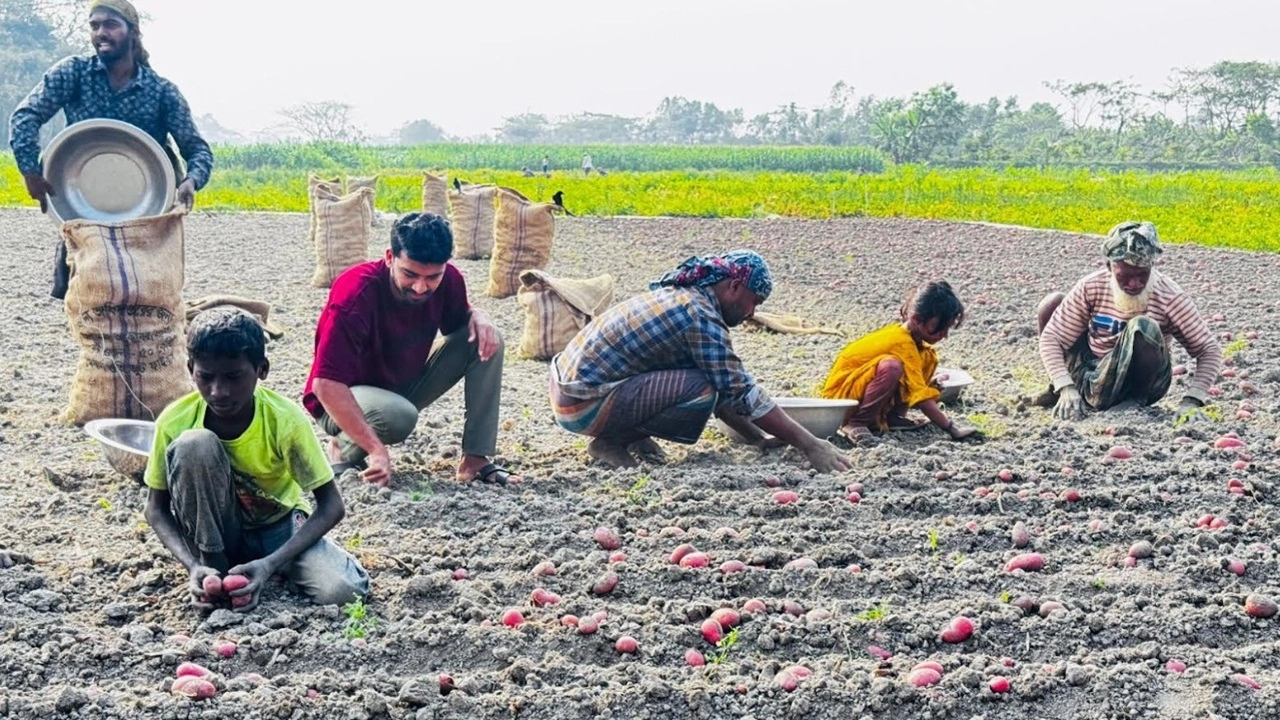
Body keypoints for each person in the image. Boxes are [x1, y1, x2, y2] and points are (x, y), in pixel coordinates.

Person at [143, 308, 370, 613]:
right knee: (194, 444)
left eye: (233, 377)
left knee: (344, 589)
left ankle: (264, 568)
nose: (218, 392)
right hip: (213, 536)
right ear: (191, 368)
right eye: (205, 377)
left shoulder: (283, 420)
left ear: (261, 369)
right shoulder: (175, 421)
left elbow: (331, 506)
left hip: (277, 529)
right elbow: (156, 509)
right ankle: (216, 570)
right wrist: (193, 565)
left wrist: (270, 563)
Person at [550, 250, 853, 472]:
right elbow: (740, 391)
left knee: (702, 378)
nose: (752, 313)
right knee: (700, 388)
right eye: (754, 302)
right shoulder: (699, 315)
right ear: (734, 287)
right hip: (583, 403)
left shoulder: (685, 296)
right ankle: (611, 442)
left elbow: (725, 387)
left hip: (571, 392)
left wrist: (757, 439)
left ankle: (632, 438)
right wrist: (810, 444)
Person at [8, 0, 214, 299]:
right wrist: (30, 171)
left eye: (111, 25)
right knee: (74, 298)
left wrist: (191, 182)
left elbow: (198, 149)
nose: (101, 33)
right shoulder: (74, 73)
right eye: (94, 26)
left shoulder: (161, 91)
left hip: (143, 214)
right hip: (83, 206)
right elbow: (25, 117)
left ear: (133, 32)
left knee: (142, 297)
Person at [303, 212, 521, 487]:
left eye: (433, 277)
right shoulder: (355, 293)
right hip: (340, 400)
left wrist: (479, 314)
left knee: (486, 337)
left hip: (400, 385)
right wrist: (376, 450)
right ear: (389, 257)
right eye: (410, 274)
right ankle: (343, 446)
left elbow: (460, 325)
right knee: (398, 416)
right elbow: (325, 385)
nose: (420, 287)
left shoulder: (449, 280)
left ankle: (475, 460)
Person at [1035, 220, 1222, 421]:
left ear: (1152, 265)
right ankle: (1059, 391)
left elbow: (1208, 349)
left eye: (1142, 274)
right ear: (1109, 266)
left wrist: (1192, 400)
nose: (1134, 283)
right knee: (1052, 304)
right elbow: (1052, 337)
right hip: (1093, 370)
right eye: (1125, 275)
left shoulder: (1169, 296)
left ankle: (1133, 401)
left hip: (1140, 381)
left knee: (1143, 326)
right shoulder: (1091, 286)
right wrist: (1065, 385)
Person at [821, 280, 978, 443]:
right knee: (892, 367)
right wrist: (951, 428)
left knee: (926, 357)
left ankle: (892, 417)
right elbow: (921, 397)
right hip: (839, 402)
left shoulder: (914, 342)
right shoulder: (902, 344)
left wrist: (929, 384)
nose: (944, 335)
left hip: (854, 393)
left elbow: (915, 384)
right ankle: (857, 422)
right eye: (940, 328)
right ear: (916, 319)